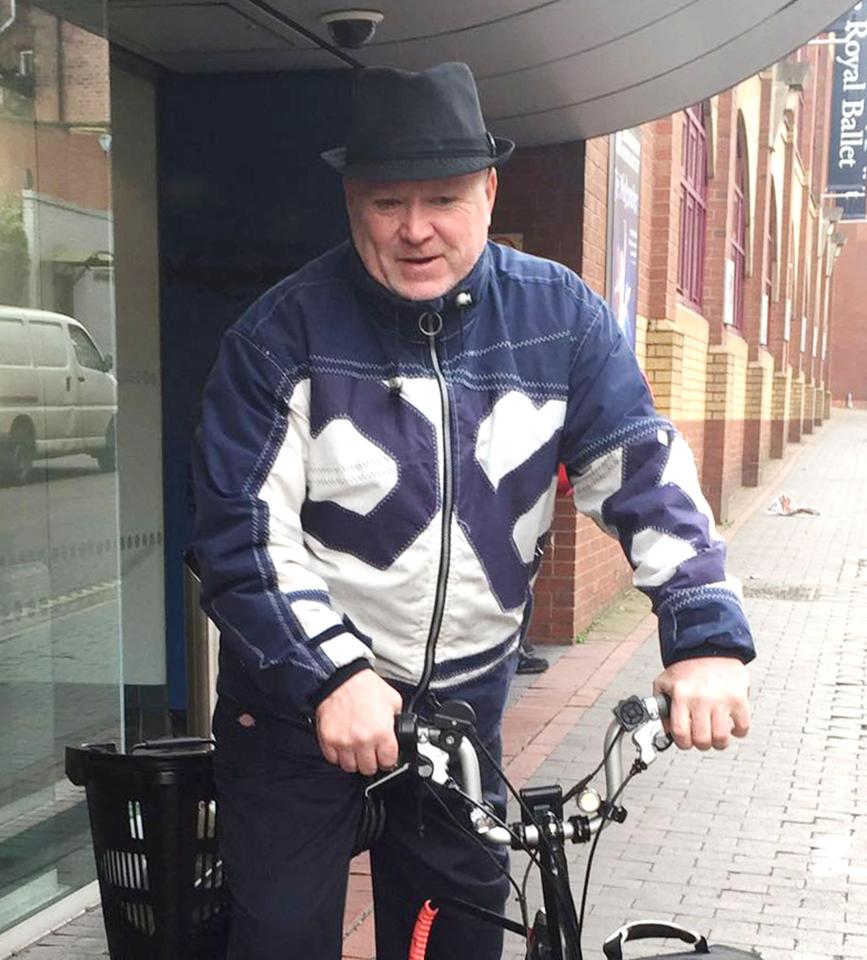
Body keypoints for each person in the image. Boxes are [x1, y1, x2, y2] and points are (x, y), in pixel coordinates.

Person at [192, 62, 754, 960]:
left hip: (460, 725)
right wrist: (332, 677)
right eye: (387, 202)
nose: (416, 229)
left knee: (460, 945)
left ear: (488, 192)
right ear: (349, 202)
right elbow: (238, 537)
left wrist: (706, 640)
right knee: (281, 940)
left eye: (444, 198)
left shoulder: (560, 317)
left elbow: (641, 471)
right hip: (300, 719)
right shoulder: (280, 334)